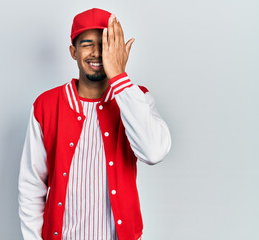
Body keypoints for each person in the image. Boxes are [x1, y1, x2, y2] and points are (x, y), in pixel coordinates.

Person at [18, 8, 171, 240]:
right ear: (73, 51)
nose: (97, 53)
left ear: (116, 49)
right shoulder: (45, 106)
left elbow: (154, 152)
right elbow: (31, 185)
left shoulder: (136, 99)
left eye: (105, 44)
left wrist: (119, 76)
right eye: (87, 44)